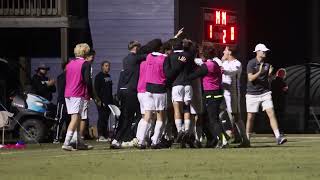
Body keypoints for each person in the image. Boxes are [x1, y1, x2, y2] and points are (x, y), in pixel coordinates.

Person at [245, 43, 287, 145]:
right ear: (257, 52)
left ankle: (278, 137)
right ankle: (246, 140)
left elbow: (267, 81)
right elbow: (250, 78)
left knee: (271, 113)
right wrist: (259, 72)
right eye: (263, 51)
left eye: (265, 51)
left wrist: (269, 76)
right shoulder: (251, 63)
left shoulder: (267, 65)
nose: (265, 52)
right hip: (252, 94)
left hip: (265, 93)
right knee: (250, 117)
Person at [188, 45, 225, 148]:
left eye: (201, 54)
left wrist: (183, 77)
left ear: (205, 54)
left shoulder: (207, 66)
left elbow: (193, 75)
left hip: (211, 94)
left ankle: (222, 140)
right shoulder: (214, 63)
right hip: (215, 93)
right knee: (204, 119)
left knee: (213, 120)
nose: (200, 56)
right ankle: (214, 139)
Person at [111, 41, 146, 148]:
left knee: (126, 117)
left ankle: (122, 138)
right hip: (132, 91)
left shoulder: (126, 59)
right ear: (135, 48)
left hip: (125, 91)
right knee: (131, 117)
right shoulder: (135, 58)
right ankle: (122, 139)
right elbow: (149, 55)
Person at [62, 43, 93, 151]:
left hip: (68, 93)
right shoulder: (85, 64)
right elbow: (87, 81)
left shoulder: (70, 63)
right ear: (85, 52)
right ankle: (66, 143)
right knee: (75, 118)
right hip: (77, 93)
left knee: (77, 117)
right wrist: (91, 94)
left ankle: (79, 142)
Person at [221, 46, 250, 147]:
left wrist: (223, 71)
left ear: (230, 52)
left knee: (235, 117)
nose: (223, 51)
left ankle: (243, 140)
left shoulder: (237, 63)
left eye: (225, 50)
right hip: (223, 93)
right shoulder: (223, 62)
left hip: (233, 94)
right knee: (222, 115)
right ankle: (228, 138)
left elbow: (233, 73)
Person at [95, 60, 113, 142]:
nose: (108, 67)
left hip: (109, 101)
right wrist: (98, 100)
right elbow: (96, 90)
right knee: (101, 118)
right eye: (106, 66)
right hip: (101, 101)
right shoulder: (99, 76)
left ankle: (105, 135)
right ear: (102, 66)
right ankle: (100, 135)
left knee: (106, 118)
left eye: (108, 66)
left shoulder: (109, 76)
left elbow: (109, 89)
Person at [53, 62, 70, 144]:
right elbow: (62, 89)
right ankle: (56, 138)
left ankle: (67, 138)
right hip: (62, 101)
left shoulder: (71, 76)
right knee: (60, 119)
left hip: (70, 101)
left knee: (69, 120)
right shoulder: (62, 76)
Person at [271, 68, 288, 134]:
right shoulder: (284, 83)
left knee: (274, 117)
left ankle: (274, 131)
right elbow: (286, 92)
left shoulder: (273, 82)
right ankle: (280, 131)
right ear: (283, 74)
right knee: (280, 117)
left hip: (273, 102)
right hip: (281, 103)